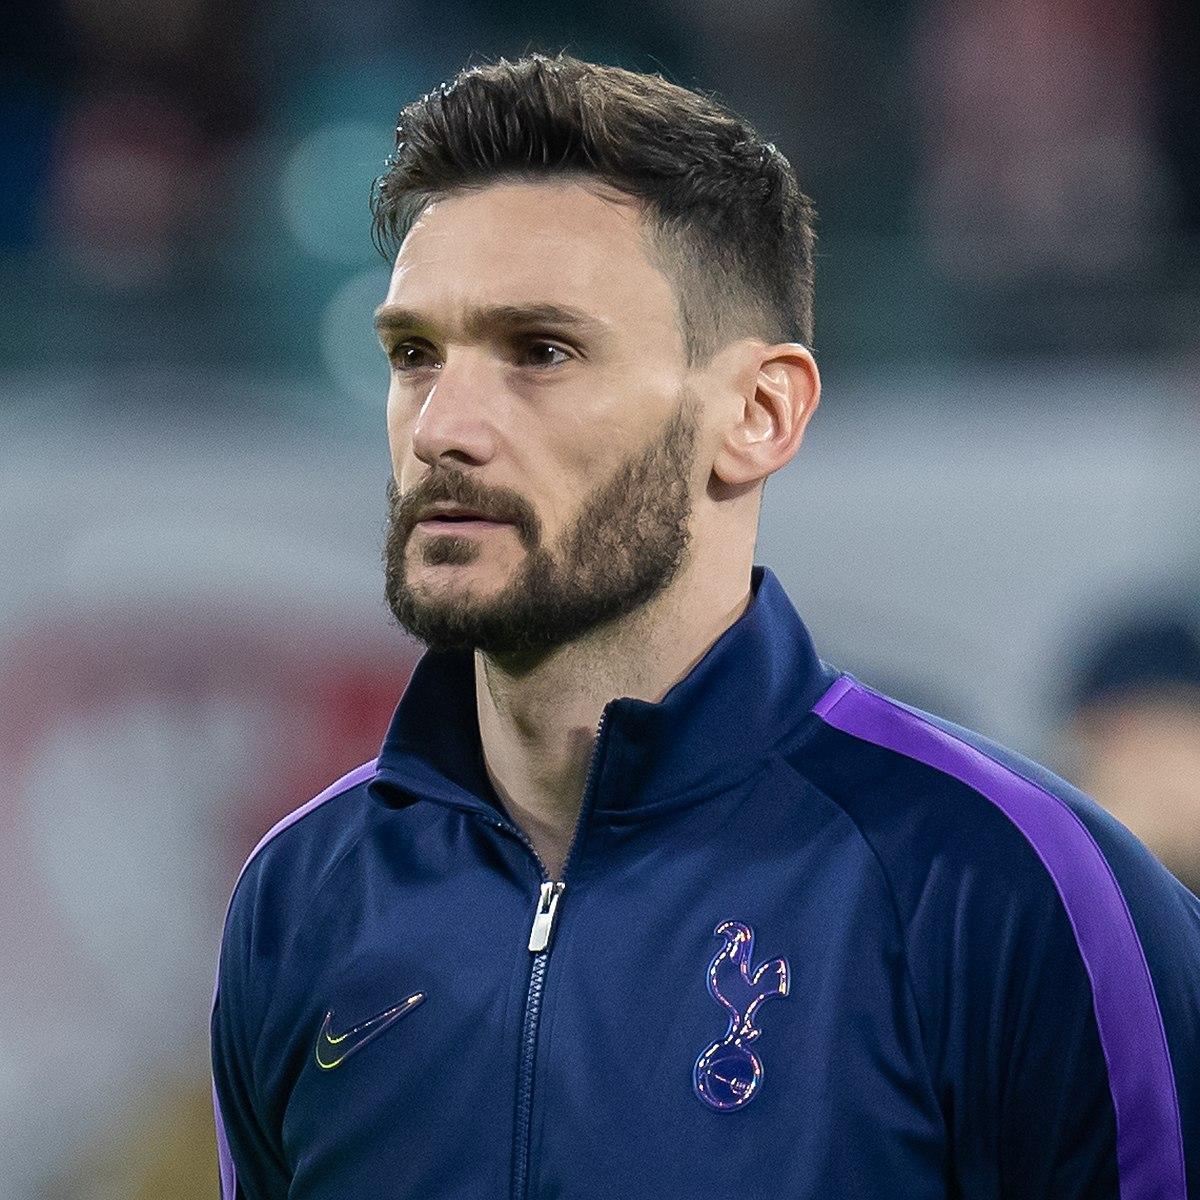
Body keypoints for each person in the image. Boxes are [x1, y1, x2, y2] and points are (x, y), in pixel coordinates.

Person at [209, 53, 1200, 1199]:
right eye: (413, 354)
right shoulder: (302, 897)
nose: (441, 427)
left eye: (541, 352)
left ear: (759, 412)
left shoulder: (1018, 889)